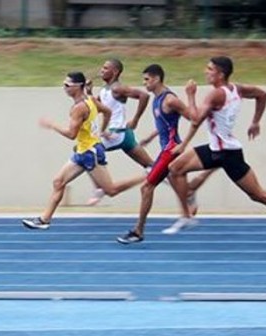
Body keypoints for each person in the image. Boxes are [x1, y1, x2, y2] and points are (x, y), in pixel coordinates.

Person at [167, 56, 266, 246]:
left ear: (220, 74)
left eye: (209, 69)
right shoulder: (237, 89)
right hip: (216, 148)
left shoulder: (215, 95)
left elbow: (195, 119)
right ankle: (187, 214)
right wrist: (255, 121)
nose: (205, 71)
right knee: (175, 169)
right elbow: (262, 94)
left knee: (258, 195)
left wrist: (190, 94)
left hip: (227, 154)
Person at [22, 71, 145, 230]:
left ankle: (147, 176)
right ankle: (44, 219)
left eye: (67, 85)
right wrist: (101, 131)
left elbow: (71, 134)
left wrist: (52, 125)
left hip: (89, 153)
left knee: (110, 190)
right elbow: (107, 112)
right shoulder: (90, 99)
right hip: (83, 150)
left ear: (78, 86)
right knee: (58, 182)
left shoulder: (79, 108)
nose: (64, 88)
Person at [116, 64, 196, 244]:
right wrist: (151, 137)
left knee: (146, 187)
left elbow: (193, 118)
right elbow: (164, 124)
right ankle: (189, 199)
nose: (144, 83)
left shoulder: (170, 100)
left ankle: (138, 231)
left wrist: (183, 144)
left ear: (157, 79)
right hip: (166, 148)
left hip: (171, 150)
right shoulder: (156, 99)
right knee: (173, 180)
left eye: (147, 79)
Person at [84, 59, 154, 206]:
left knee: (86, 152)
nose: (102, 70)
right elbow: (96, 107)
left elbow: (144, 96)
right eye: (102, 67)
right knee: (151, 166)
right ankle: (182, 190)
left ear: (115, 72)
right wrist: (89, 91)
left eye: (105, 68)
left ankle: (99, 188)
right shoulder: (105, 90)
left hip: (117, 133)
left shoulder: (118, 88)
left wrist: (135, 120)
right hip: (125, 136)